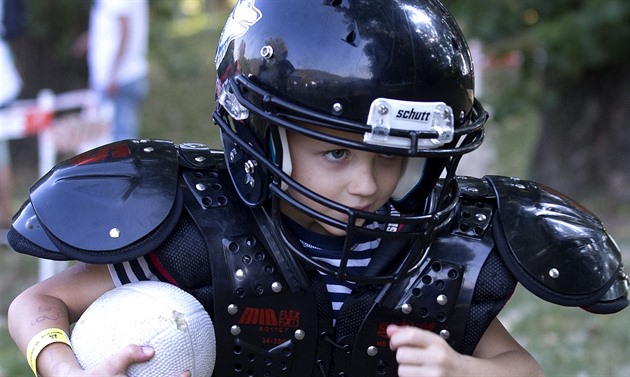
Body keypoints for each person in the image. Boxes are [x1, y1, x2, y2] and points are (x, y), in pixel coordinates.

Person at [6, 0, 628, 376]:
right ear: (266, 136)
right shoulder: (200, 233)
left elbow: (524, 367)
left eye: (389, 158)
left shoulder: (429, 255)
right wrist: (62, 363)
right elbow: (34, 306)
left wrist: (461, 368)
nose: (366, 185)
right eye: (334, 152)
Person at [87, 0, 148, 141]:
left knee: (120, 143)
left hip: (120, 78)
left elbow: (125, 31)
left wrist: (113, 73)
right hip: (130, 73)